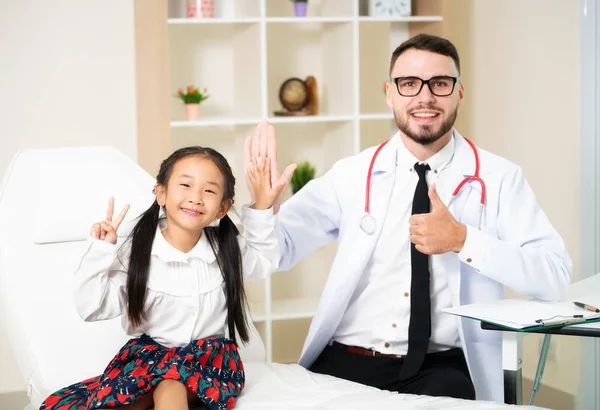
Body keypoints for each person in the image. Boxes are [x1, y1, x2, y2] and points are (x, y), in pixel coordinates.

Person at [243, 33, 573, 402]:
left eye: (440, 83)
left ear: (459, 93)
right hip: (346, 359)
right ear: (389, 93)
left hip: (441, 367)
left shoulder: (499, 178)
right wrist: (262, 209)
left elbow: (555, 277)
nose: (425, 97)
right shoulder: (353, 174)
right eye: (409, 84)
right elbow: (273, 254)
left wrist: (464, 240)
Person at [40, 147, 282, 410]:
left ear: (223, 207)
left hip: (208, 361)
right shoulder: (139, 253)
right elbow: (91, 308)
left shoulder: (226, 249)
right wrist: (100, 251)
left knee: (170, 387)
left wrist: (261, 206)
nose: (196, 198)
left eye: (209, 191)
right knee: (121, 402)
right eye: (186, 185)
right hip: (150, 359)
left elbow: (264, 261)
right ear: (162, 193)